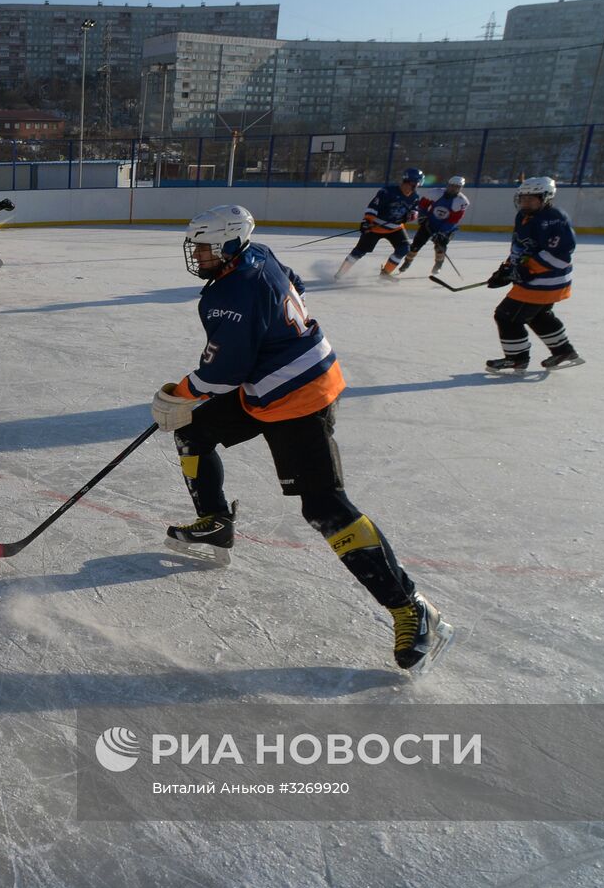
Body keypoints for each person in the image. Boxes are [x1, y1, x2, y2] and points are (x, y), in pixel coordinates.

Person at [151, 205, 454, 675]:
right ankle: (215, 521)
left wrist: (179, 393)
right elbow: (296, 286)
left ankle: (411, 608)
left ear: (231, 245)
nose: (198, 254)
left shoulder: (231, 292)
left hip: (300, 397)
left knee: (325, 507)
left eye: (206, 246)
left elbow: (223, 370)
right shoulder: (260, 255)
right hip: (272, 385)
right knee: (194, 431)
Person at [484, 176, 585, 372]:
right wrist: (506, 269)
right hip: (537, 280)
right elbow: (521, 248)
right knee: (539, 316)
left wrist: (528, 270)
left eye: (531, 198)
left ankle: (516, 358)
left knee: (507, 316)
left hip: (545, 281)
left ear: (545, 198)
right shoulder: (523, 216)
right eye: (523, 198)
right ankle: (564, 351)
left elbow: (561, 255)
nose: (525, 202)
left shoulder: (554, 219)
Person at [335, 168, 424, 279]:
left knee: (404, 249)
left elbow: (414, 211)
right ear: (407, 182)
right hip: (375, 228)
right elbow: (373, 207)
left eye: (417, 184)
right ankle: (340, 273)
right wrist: (366, 222)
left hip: (395, 228)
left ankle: (385, 273)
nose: (416, 187)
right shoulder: (387, 192)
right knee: (360, 251)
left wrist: (410, 216)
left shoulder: (414, 197)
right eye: (414, 184)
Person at [398, 175, 469, 275]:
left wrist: (441, 232)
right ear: (448, 185)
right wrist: (422, 216)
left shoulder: (462, 201)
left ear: (461, 188)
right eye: (451, 186)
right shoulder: (435, 193)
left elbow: (453, 220)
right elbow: (422, 205)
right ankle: (407, 262)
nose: (453, 189)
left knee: (440, 248)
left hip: (446, 228)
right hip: (429, 223)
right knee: (415, 245)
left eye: (457, 187)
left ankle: (438, 265)